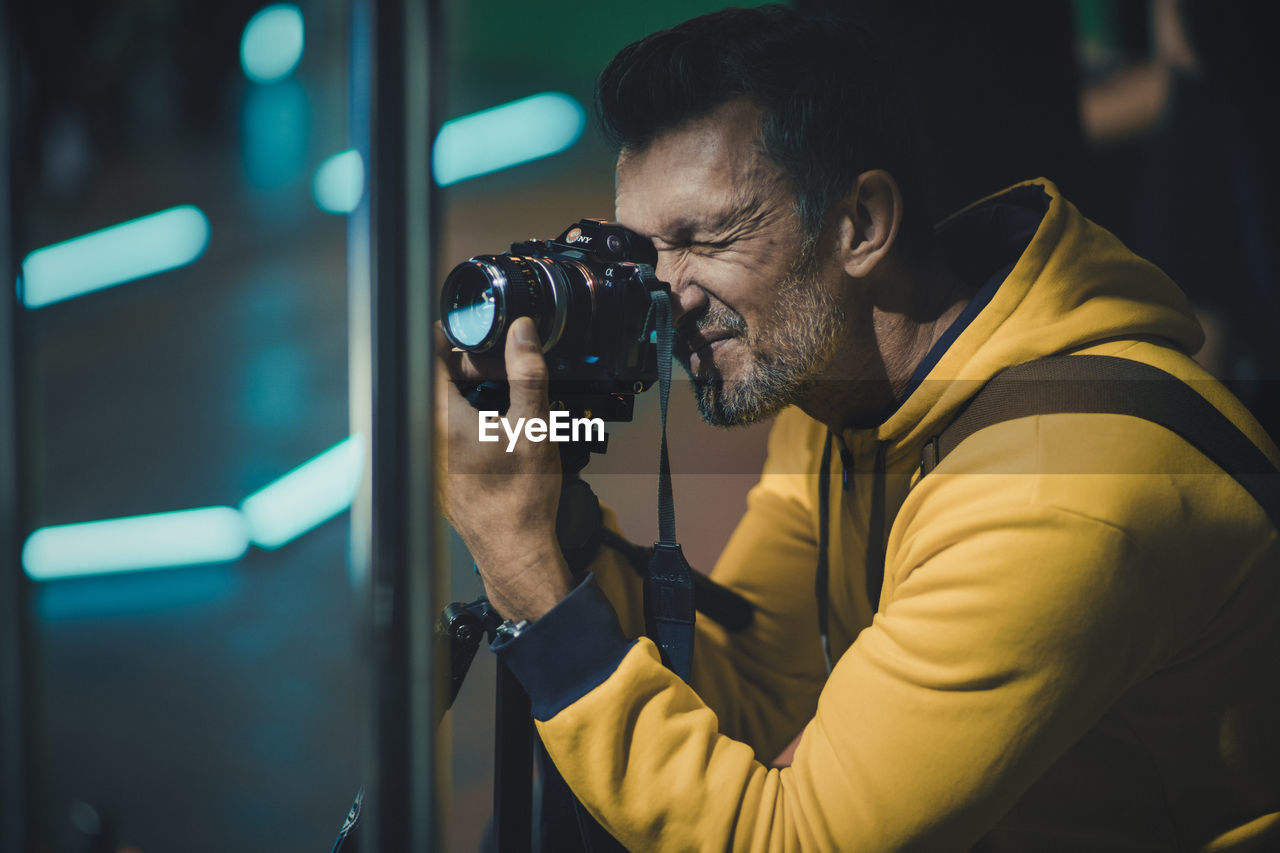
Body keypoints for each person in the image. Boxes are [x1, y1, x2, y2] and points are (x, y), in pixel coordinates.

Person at [436, 6, 1280, 851]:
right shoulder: (845, 400)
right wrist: (559, 527)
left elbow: (790, 839)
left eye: (707, 239)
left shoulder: (1053, 489)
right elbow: (764, 689)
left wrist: (530, 583)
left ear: (861, 225)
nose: (669, 298)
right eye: (647, 255)